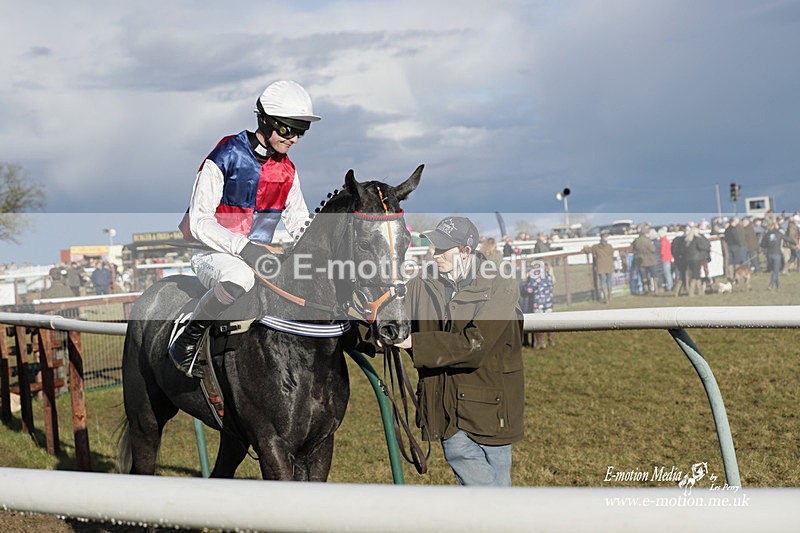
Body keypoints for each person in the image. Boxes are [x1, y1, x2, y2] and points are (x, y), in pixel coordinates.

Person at [171, 81, 319, 377]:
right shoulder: (225, 155)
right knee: (240, 276)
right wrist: (243, 248)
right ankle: (186, 342)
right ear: (265, 121)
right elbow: (199, 221)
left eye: (302, 131)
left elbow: (300, 222)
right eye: (289, 130)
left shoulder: (288, 170)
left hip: (260, 256)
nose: (295, 139)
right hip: (213, 254)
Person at [395, 216, 525, 486]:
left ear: (466, 251)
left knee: (498, 496)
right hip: (447, 411)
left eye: (443, 249)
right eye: (435, 247)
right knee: (490, 498)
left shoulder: (501, 286)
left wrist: (414, 343)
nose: (435, 254)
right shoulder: (422, 284)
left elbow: (475, 345)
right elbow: (391, 317)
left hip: (493, 411)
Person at [761, 221, 795, 291]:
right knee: (776, 271)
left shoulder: (766, 235)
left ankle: (778, 286)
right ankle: (771, 285)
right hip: (777, 254)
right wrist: (795, 243)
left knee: (774, 270)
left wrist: (768, 244)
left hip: (769, 255)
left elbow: (762, 245)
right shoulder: (779, 234)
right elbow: (788, 239)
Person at [582, 230, 615, 303]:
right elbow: (612, 254)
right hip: (609, 266)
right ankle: (610, 296)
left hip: (600, 267)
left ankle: (606, 298)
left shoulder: (596, 247)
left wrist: (584, 248)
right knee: (609, 282)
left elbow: (587, 250)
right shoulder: (609, 247)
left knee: (603, 282)